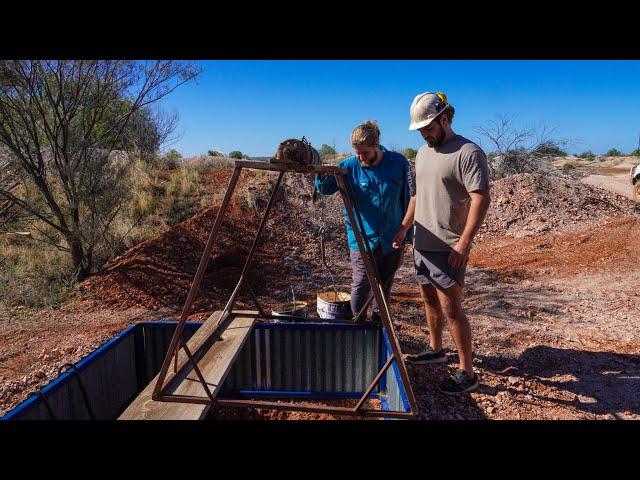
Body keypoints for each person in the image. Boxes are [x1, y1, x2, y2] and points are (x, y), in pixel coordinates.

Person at [400, 92, 491, 395]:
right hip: (422, 243)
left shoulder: (468, 152)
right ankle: (435, 348)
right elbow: (417, 197)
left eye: (428, 128)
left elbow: (481, 198)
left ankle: (467, 371)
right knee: (428, 301)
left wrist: (464, 243)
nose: (425, 134)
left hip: (448, 246)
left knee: (452, 310)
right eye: (421, 130)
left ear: (445, 119)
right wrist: (404, 230)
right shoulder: (424, 153)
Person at [315, 120, 415, 324]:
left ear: (376, 143)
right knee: (361, 283)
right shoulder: (349, 166)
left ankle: (380, 325)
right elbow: (324, 189)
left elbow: (410, 198)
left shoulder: (399, 163)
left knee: (385, 284)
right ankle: (357, 326)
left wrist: (405, 231)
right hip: (361, 238)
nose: (361, 157)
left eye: (365, 153)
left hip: (392, 237)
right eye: (357, 153)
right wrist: (319, 171)